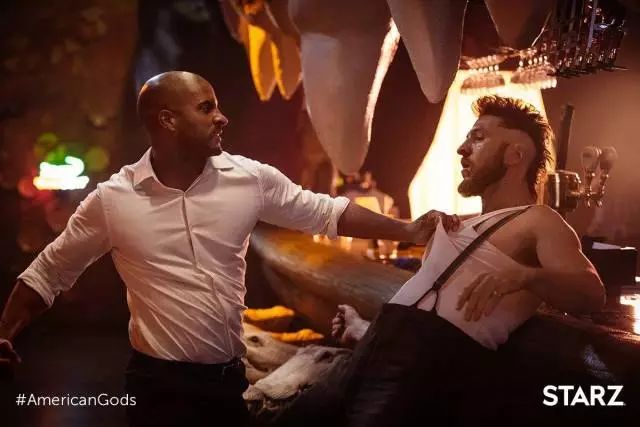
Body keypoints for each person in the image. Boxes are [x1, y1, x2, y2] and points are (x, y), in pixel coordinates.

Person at [0, 71, 453, 427]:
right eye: (206, 108)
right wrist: (3, 334)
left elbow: (326, 212)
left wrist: (408, 230)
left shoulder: (249, 179)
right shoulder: (114, 200)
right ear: (167, 120)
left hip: (228, 382)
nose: (222, 117)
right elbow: (48, 273)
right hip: (157, 387)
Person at [279, 95, 606, 427]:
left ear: (515, 155)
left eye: (478, 137)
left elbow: (591, 293)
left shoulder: (539, 220)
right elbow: (423, 311)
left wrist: (525, 276)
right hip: (366, 355)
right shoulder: (455, 222)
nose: (462, 149)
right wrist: (364, 329)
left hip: (415, 379)